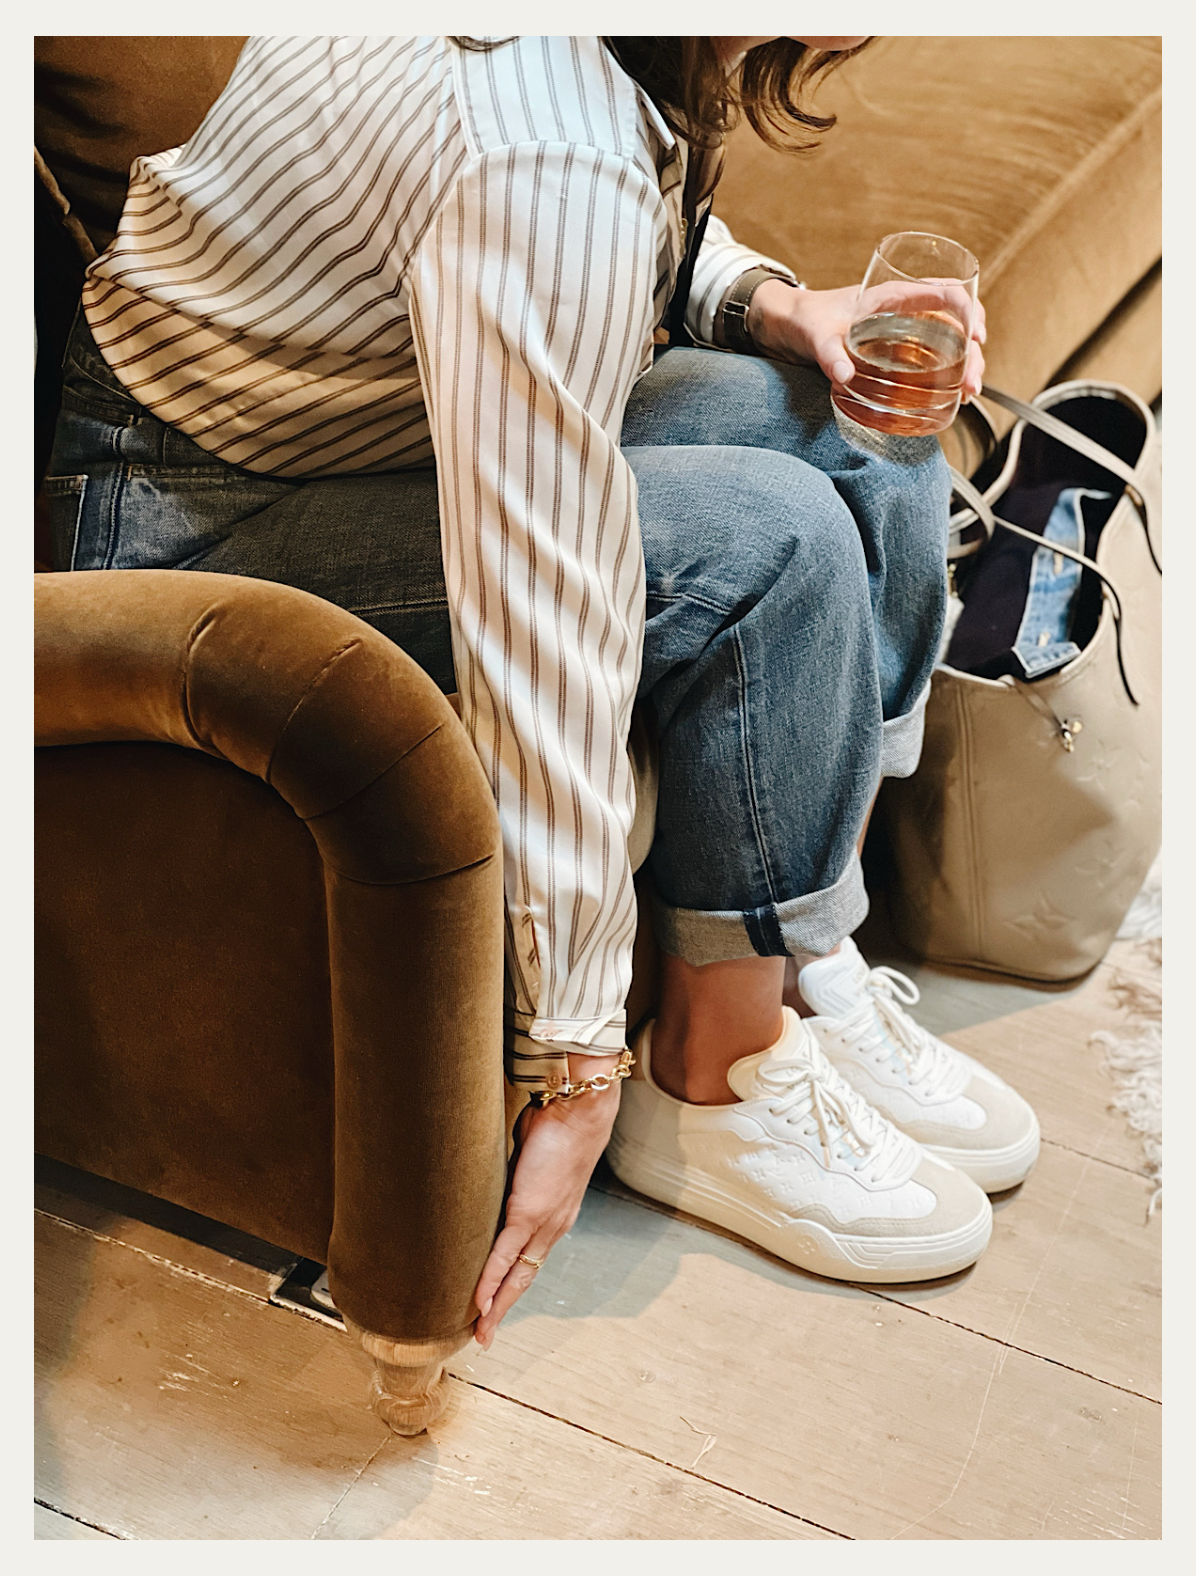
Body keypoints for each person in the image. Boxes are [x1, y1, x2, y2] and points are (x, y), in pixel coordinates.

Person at [47, 34, 1039, 1352]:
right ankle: (706, 1080)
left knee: (860, 436)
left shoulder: (599, 75)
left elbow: (630, 216)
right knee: (774, 539)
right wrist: (573, 1055)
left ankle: (795, 953)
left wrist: (775, 302)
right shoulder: (527, 134)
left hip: (371, 412)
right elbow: (543, 613)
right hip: (187, 508)